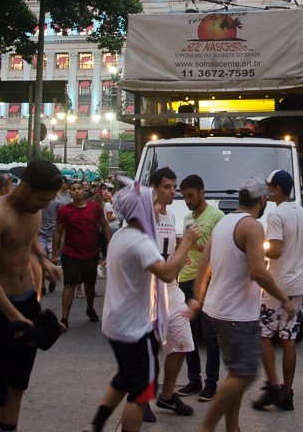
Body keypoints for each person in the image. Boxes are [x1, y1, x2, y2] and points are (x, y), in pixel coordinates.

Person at [83, 178, 200, 432]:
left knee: (126, 376)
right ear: (142, 209)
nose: (159, 208)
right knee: (140, 392)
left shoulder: (121, 236)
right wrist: (187, 242)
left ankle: (96, 424)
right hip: (133, 329)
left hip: (115, 324)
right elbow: (167, 273)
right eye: (154, 203)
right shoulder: (141, 241)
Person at [184, 178, 295, 432]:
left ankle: (232, 428)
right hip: (236, 314)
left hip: (216, 308)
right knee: (245, 374)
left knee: (236, 373)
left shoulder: (224, 222)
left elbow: (204, 264)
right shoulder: (252, 226)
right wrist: (284, 300)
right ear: (262, 200)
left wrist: (198, 298)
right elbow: (258, 271)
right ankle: (206, 428)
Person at [0, 159, 63, 432]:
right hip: (1, 310)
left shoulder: (33, 210)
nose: (45, 206)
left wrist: (43, 260)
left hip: (27, 301)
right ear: (25, 187)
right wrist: (14, 317)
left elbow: (26, 238)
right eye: (42, 199)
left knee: (17, 387)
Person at [252, 169, 303, 411]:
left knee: (263, 335)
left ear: (278, 189)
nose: (268, 191)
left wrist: (258, 248)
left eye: (270, 187)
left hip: (276, 286)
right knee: (289, 338)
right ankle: (287, 393)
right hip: (298, 285)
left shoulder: (276, 214)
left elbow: (276, 250)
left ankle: (273, 387)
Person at [149, 168, 196, 418]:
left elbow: (171, 245)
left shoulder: (172, 215)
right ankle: (140, 400)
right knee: (147, 349)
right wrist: (185, 243)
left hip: (170, 287)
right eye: (167, 186)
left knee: (181, 340)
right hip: (147, 290)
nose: (173, 191)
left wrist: (180, 253)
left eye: (174, 187)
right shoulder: (144, 217)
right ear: (154, 188)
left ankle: (166, 395)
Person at [176, 174, 225, 401]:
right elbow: (187, 247)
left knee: (209, 334)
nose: (187, 201)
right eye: (184, 197)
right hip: (186, 279)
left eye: (191, 196)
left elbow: (222, 249)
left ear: (202, 193)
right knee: (188, 334)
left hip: (209, 279)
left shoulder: (217, 216)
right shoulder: (187, 218)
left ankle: (211, 383)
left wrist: (197, 246)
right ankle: (194, 379)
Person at [52, 179, 111, 327]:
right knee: (69, 284)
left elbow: (105, 225)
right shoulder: (64, 210)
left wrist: (110, 243)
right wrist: (53, 254)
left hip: (90, 253)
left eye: (79, 188)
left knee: (90, 284)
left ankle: (90, 308)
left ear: (84, 191)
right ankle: (64, 318)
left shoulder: (94, 208)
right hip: (70, 253)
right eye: (74, 189)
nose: (77, 191)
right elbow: (57, 232)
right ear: (70, 193)